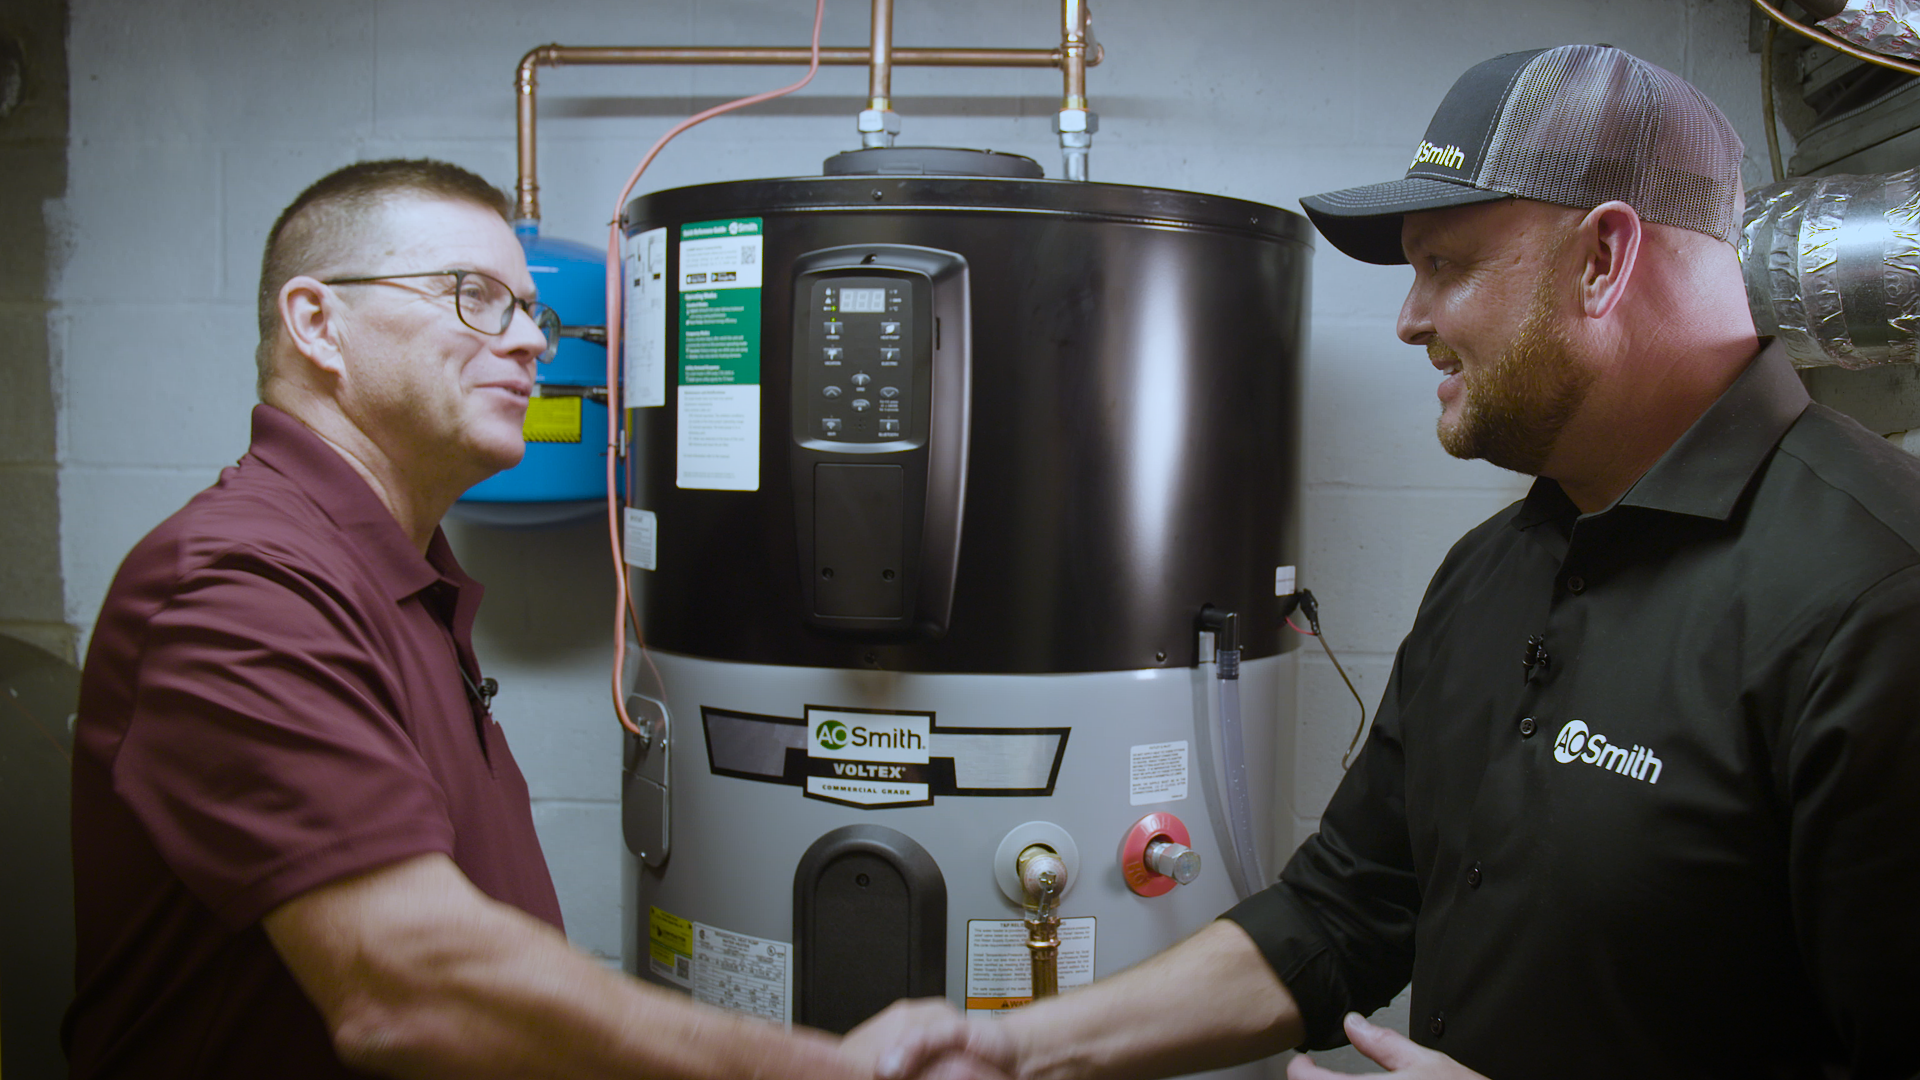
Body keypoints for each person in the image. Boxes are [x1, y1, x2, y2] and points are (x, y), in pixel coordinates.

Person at [855, 44, 1920, 1080]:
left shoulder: (1875, 598)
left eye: (1444, 268)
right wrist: (1016, 1048)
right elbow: (1344, 909)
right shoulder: (1495, 571)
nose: (1411, 320)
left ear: (1605, 257)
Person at [63, 158, 997, 1080]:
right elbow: (408, 988)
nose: (534, 345)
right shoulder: (238, 588)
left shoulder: (390, 573)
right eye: (474, 296)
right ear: (318, 322)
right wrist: (806, 1072)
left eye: (531, 311)